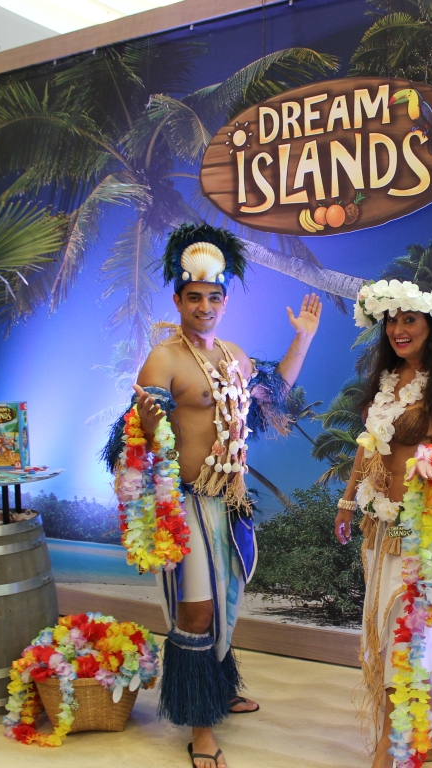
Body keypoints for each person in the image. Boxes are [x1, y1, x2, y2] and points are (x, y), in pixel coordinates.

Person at [109, 224, 321, 768]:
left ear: (224, 302)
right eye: (194, 298)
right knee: (197, 612)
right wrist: (146, 424)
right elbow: (128, 442)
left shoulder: (234, 355)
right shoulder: (164, 359)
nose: (204, 307)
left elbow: (272, 398)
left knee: (226, 602)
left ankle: (220, 690)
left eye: (213, 298)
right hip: (184, 506)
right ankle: (200, 727)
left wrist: (303, 339)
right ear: (178, 300)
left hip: (229, 502)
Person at [333, 279, 432, 768]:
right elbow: (368, 446)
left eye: (409, 320)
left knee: (408, 642)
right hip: (382, 529)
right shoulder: (388, 379)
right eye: (392, 321)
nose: (398, 330)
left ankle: (391, 750)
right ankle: (429, 729)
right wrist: (347, 500)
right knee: (388, 637)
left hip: (424, 531)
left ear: (430, 324)